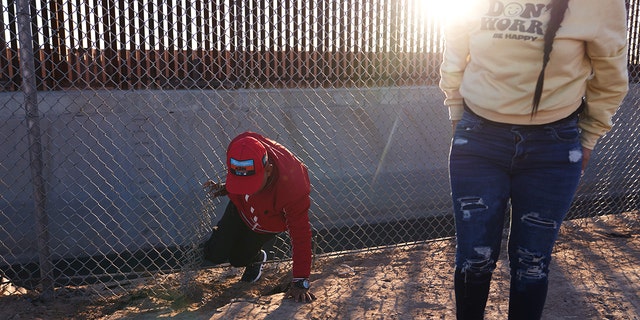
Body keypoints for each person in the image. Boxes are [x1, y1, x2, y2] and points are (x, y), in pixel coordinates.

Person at [439, 0, 629, 319]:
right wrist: (457, 113)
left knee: (532, 263)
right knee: (474, 258)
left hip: (552, 148)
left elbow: (610, 76)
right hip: (479, 140)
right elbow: (456, 45)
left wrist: (590, 134)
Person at [202, 131, 316, 303]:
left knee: (238, 259)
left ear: (269, 170)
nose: (247, 189)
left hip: (266, 224)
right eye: (242, 184)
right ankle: (222, 240)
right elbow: (242, 173)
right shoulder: (240, 146)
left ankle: (256, 258)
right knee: (214, 254)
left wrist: (301, 280)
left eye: (251, 185)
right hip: (240, 210)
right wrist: (228, 187)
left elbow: (301, 236)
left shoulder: (293, 185)